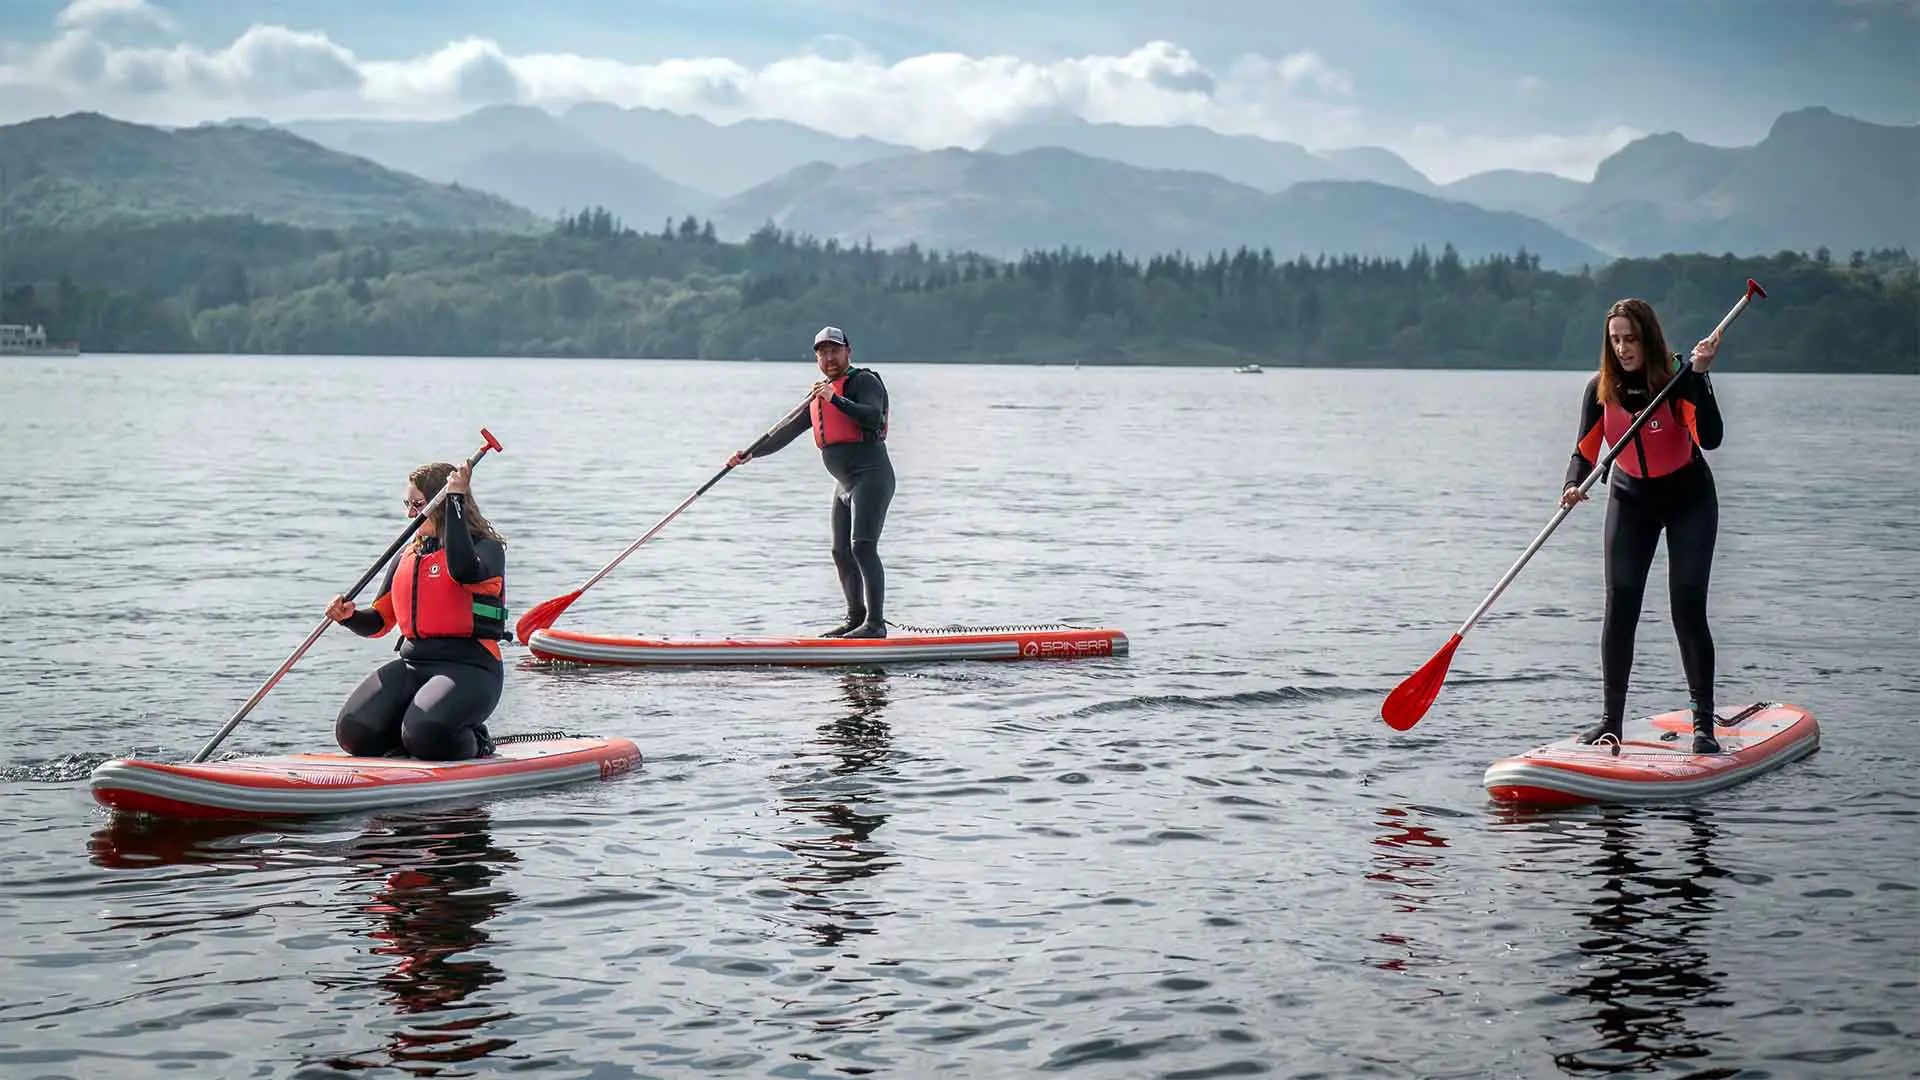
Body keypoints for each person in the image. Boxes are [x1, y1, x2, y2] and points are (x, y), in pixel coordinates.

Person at [1562, 298, 1726, 754]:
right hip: (1630, 499)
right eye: (1614, 340)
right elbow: (1584, 451)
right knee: (1620, 606)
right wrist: (1573, 485)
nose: (1622, 349)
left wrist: (1700, 376)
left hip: (1688, 499)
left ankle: (1703, 726)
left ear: (1648, 339)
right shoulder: (1601, 389)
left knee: (1687, 606)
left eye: (1630, 339)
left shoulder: (1677, 382)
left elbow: (1710, 438)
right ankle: (1611, 721)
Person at [326, 460, 510, 759]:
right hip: (414, 665)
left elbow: (462, 570)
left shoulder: (486, 548)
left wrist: (456, 500)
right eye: (407, 504)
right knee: (354, 732)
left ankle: (475, 741)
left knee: (426, 733)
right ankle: (408, 739)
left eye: (418, 504)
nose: (411, 513)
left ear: (439, 503)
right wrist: (349, 617)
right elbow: (379, 622)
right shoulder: (407, 557)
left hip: (471, 670)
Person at [729, 325, 895, 638]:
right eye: (823, 353)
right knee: (839, 551)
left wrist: (836, 399)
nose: (830, 358)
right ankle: (855, 619)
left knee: (862, 547)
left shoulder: (864, 381)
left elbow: (873, 417)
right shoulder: (819, 395)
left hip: (871, 476)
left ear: (848, 352)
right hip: (844, 484)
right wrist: (751, 454)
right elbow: (786, 432)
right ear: (817, 358)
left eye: (835, 350)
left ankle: (875, 624)